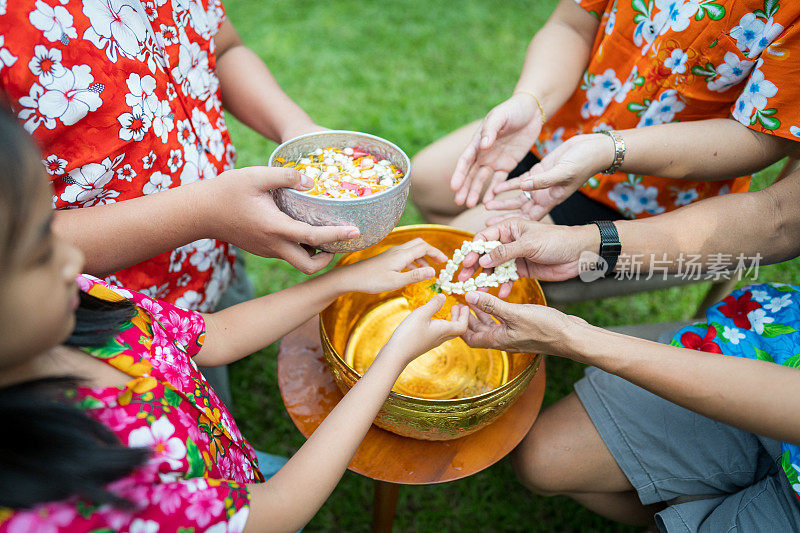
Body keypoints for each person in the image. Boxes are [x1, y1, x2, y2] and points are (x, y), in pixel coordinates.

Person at [0, 111, 468, 532]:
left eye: (51, 226)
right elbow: (279, 508)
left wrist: (344, 282)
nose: (71, 257)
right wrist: (392, 359)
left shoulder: (82, 299)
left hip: (221, 463)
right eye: (38, 252)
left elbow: (214, 336)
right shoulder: (81, 496)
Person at [452, 164, 800, 530]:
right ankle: (693, 496)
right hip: (778, 345)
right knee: (542, 459)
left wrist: (574, 338)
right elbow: (778, 216)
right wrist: (586, 243)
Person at [411, 0, 800, 232]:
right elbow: (571, 25)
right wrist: (531, 99)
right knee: (424, 180)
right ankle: (503, 290)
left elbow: (761, 137)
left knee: (461, 244)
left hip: (652, 193)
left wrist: (607, 149)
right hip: (557, 133)